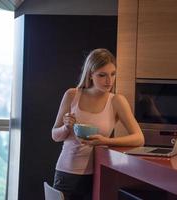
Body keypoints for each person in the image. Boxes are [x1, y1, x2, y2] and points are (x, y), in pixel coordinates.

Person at [51, 48, 145, 200]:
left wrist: (105, 141)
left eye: (112, 74)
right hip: (66, 173)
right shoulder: (72, 95)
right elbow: (55, 135)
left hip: (97, 175)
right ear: (90, 74)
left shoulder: (117, 101)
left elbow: (139, 138)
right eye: (102, 75)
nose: (109, 81)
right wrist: (66, 126)